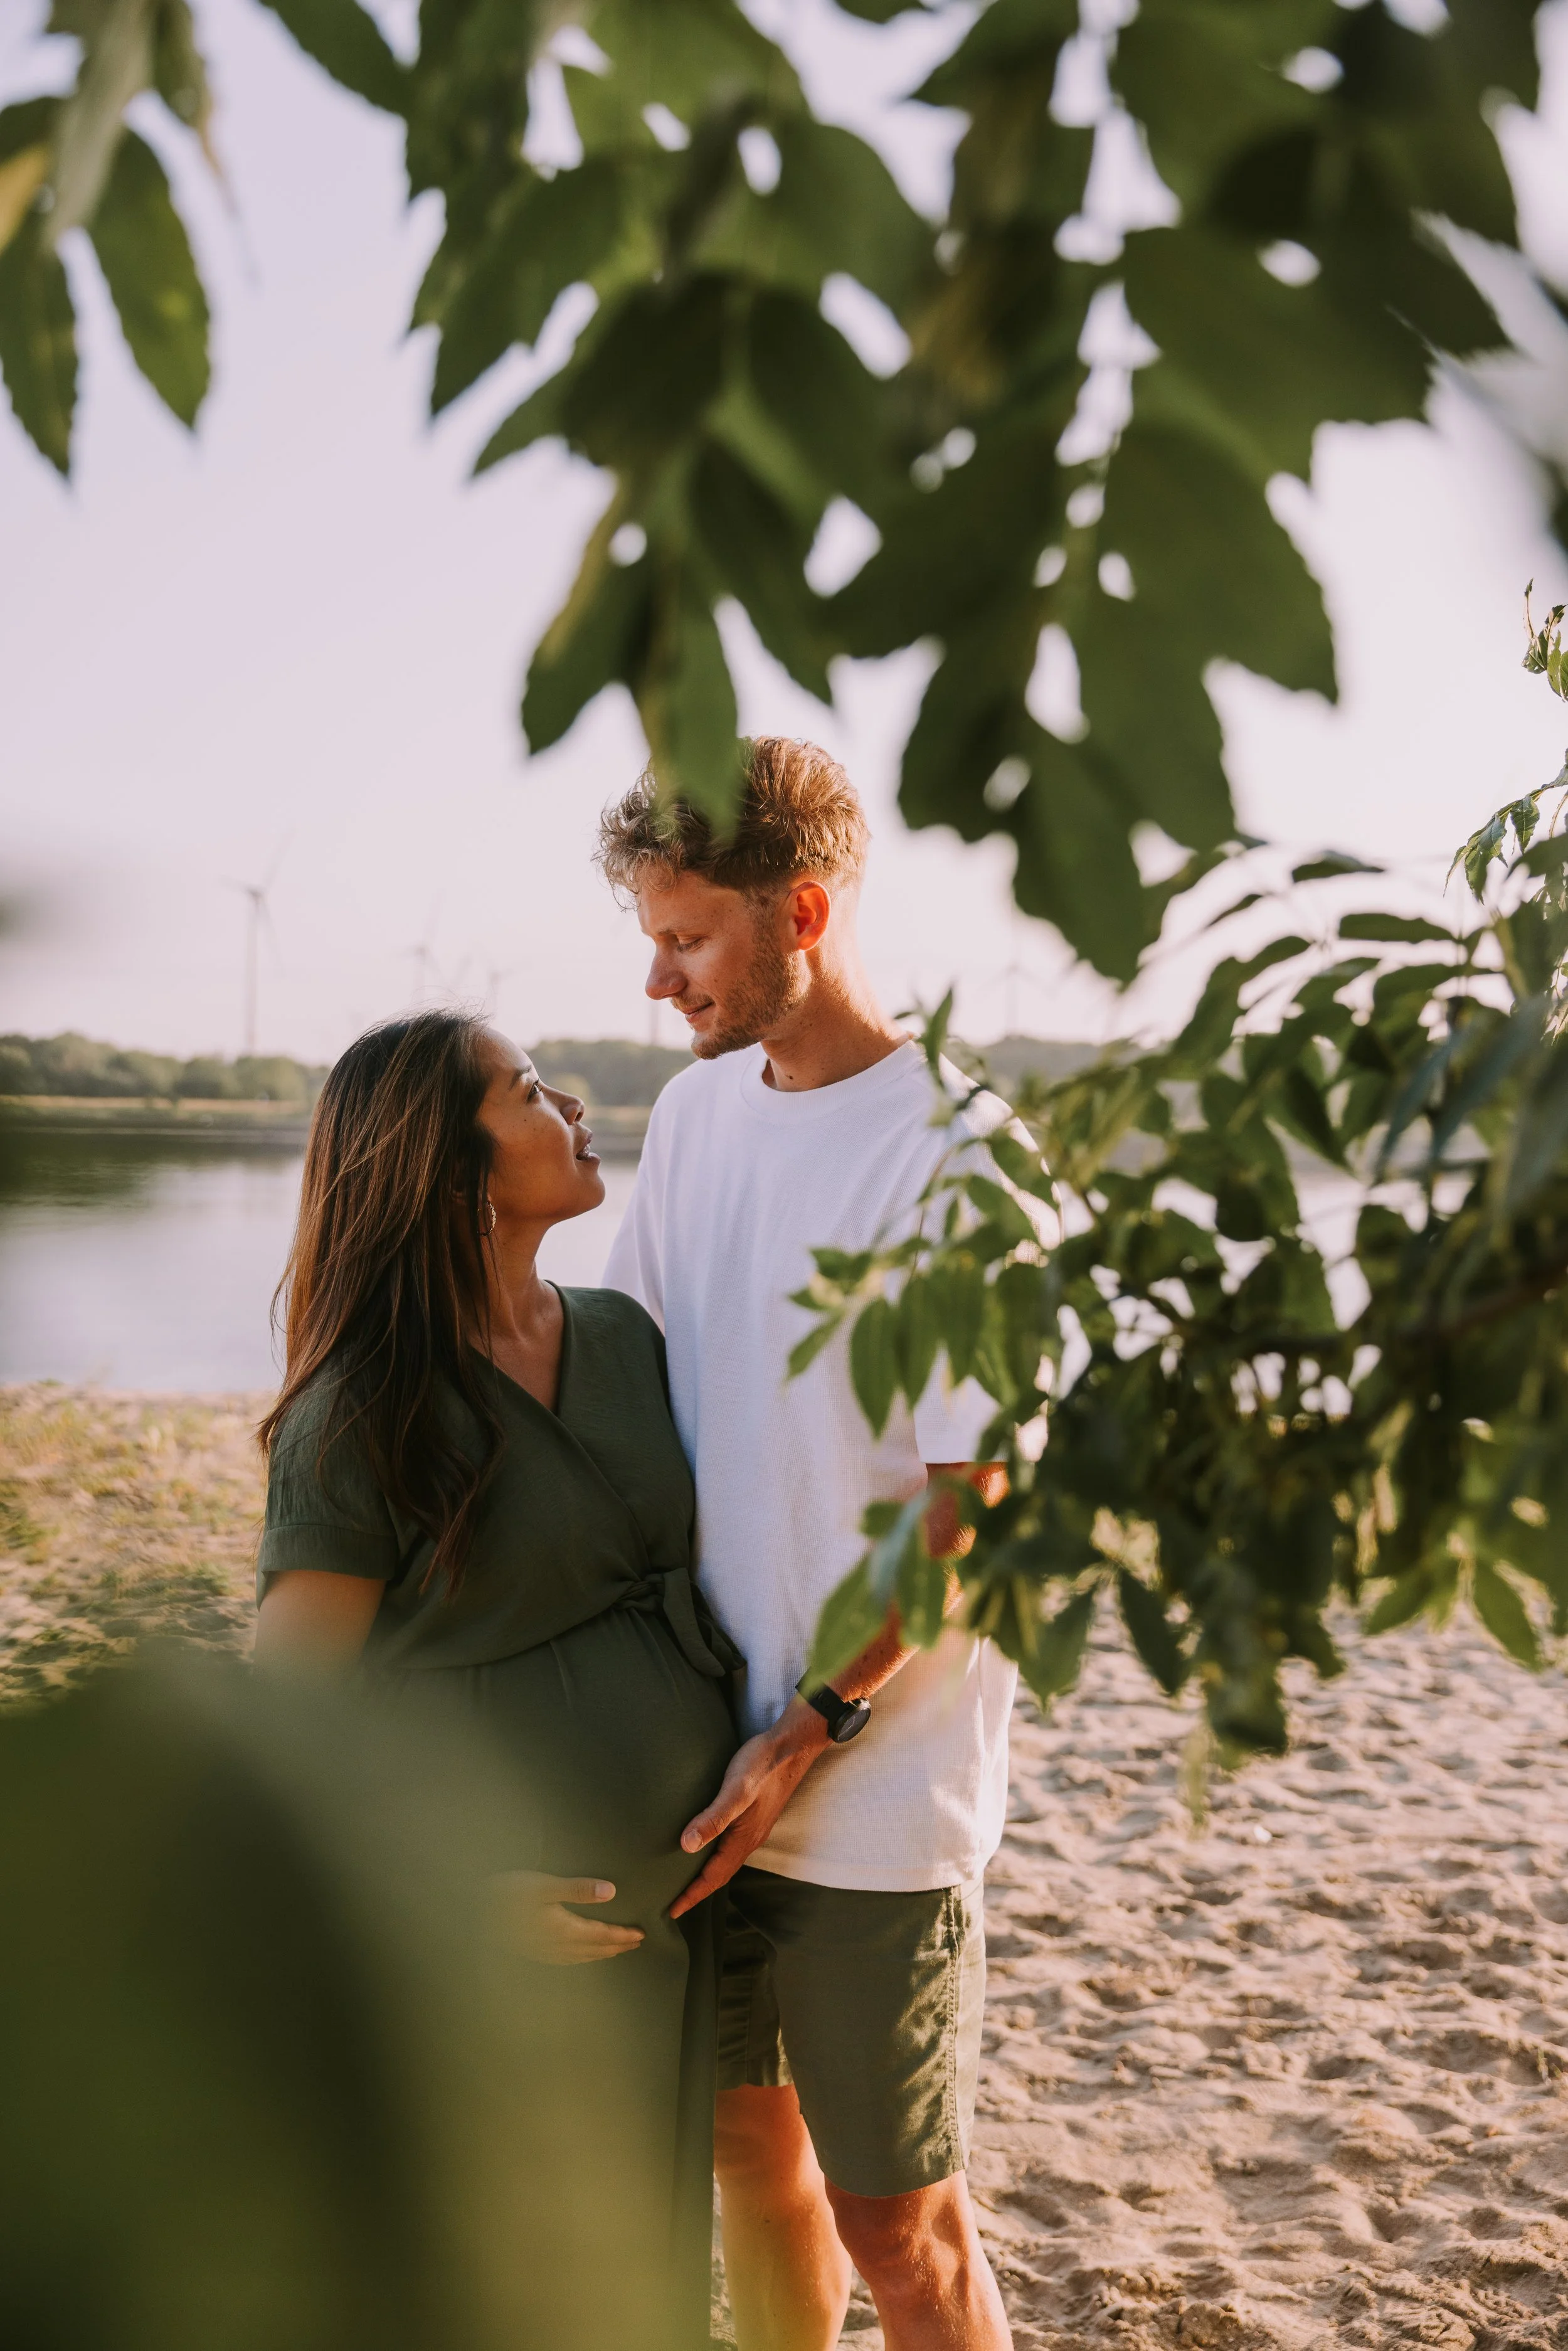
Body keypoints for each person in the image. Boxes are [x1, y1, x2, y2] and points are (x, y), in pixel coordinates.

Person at [600, 739, 1018, 2351]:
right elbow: (622, 1362)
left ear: (805, 911)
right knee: (741, 2164)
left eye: (687, 938)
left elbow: (969, 1501)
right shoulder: (699, 1120)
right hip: (701, 1768)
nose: (657, 979)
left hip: (866, 1789)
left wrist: (812, 1723)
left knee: (897, 2229)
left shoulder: (959, 1157)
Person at [251, 1010, 740, 2351]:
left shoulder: (626, 1339)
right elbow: (281, 1733)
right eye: (527, 1089)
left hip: (662, 1913)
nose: (570, 1100)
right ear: (456, 1177)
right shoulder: (364, 1412)